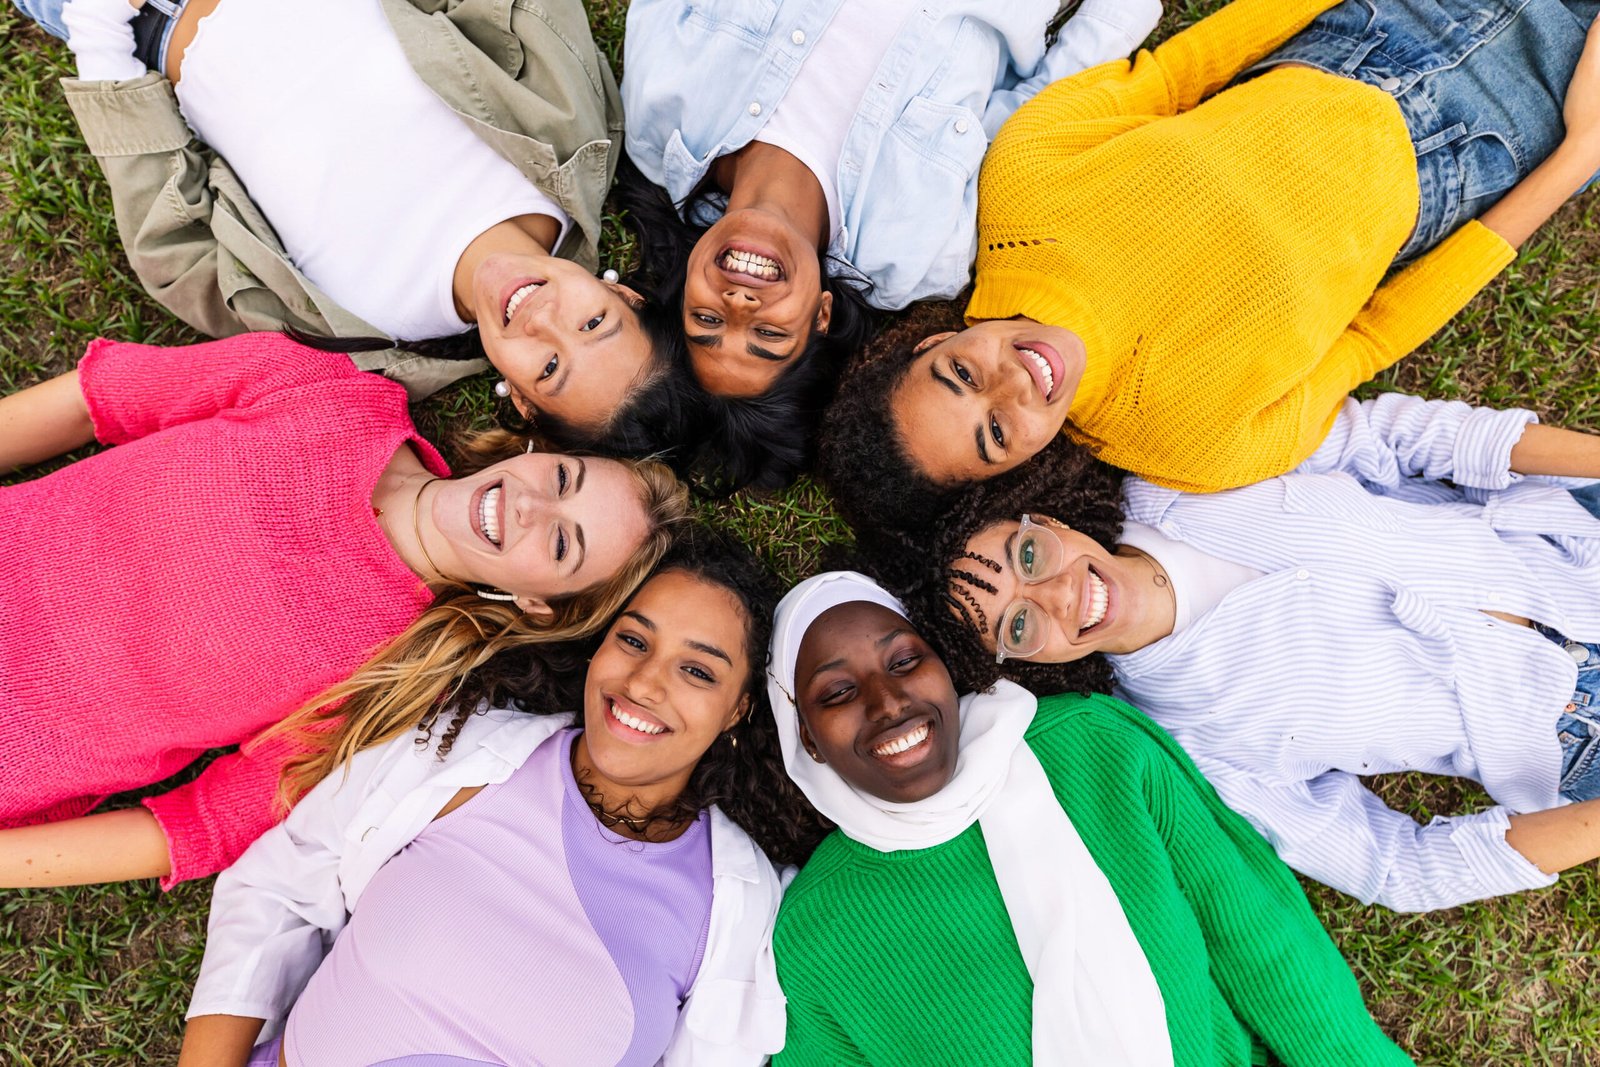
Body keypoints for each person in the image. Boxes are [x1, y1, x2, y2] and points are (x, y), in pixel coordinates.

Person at [819, 0, 1600, 531]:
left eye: (961, 374)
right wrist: (1577, 158)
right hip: (1500, 135)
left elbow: (1179, 70)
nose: (1013, 382)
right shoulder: (1192, 450)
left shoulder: (1020, 187)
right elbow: (1373, 337)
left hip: (1378, 23)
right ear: (1016, 472)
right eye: (995, 432)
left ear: (924, 343)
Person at [853, 391, 1600, 913]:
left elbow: (1391, 436)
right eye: (1017, 627)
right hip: (1574, 738)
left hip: (1572, 538)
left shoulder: (1179, 478)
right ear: (1022, 670)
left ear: (1044, 516)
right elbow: (1394, 866)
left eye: (1027, 552)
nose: (1055, 593)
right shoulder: (1194, 746)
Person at [0, 331, 688, 889]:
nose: (532, 506)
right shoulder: (328, 393)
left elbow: (203, 823)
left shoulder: (394, 677)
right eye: (564, 479)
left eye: (563, 542)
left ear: (539, 604)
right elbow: (100, 398)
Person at [177, 532, 825, 1067]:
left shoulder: (735, 905)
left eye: (698, 670)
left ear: (738, 707)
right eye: (633, 638)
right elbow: (279, 889)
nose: (645, 681)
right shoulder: (459, 750)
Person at [765, 571, 1412, 1065]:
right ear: (808, 741)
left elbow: (1260, 940)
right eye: (838, 692)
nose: (888, 700)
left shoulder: (1092, 746)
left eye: (905, 659)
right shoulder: (816, 933)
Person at [13, 0, 701, 460]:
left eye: (550, 369)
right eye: (594, 325)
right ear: (628, 297)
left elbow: (176, 246)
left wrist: (99, 36)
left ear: (519, 399)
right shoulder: (566, 136)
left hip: (133, 19)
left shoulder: (356, 341)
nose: (546, 321)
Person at [616, 0, 1163, 485]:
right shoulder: (915, 249)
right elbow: (1036, 115)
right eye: (768, 333)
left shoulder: (657, 120)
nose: (738, 304)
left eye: (707, 323)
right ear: (821, 316)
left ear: (686, 282)